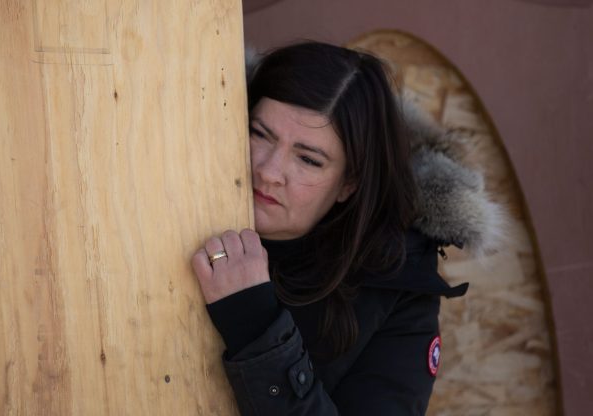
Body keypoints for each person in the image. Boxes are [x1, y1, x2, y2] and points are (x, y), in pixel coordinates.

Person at [191, 41, 499, 415]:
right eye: (260, 134)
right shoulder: (168, 195)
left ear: (349, 183)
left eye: (308, 159)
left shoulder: (395, 293)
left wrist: (256, 325)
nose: (269, 171)